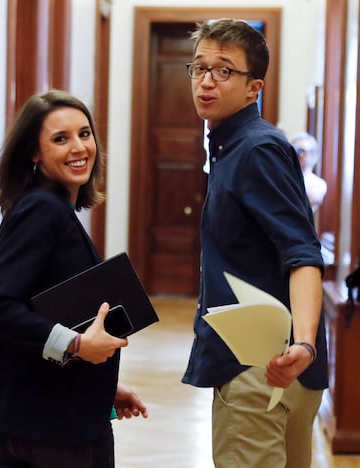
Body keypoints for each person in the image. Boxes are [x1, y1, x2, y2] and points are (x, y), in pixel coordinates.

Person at [0, 89, 148, 467]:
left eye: (85, 133)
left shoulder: (53, 208)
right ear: (34, 153)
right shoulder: (42, 209)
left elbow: (44, 313)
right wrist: (77, 345)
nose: (79, 147)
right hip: (44, 434)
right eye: (61, 139)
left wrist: (102, 388)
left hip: (45, 420)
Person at [181, 19, 328, 468]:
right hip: (271, 365)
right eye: (199, 68)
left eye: (224, 70)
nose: (206, 80)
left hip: (261, 367)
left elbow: (302, 251)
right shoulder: (231, 147)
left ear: (253, 88)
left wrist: (302, 346)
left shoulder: (255, 148)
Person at [291, 131, 327, 212]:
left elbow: (301, 204)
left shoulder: (318, 184)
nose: (299, 155)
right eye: (296, 150)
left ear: (313, 155)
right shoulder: (283, 176)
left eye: (303, 151)